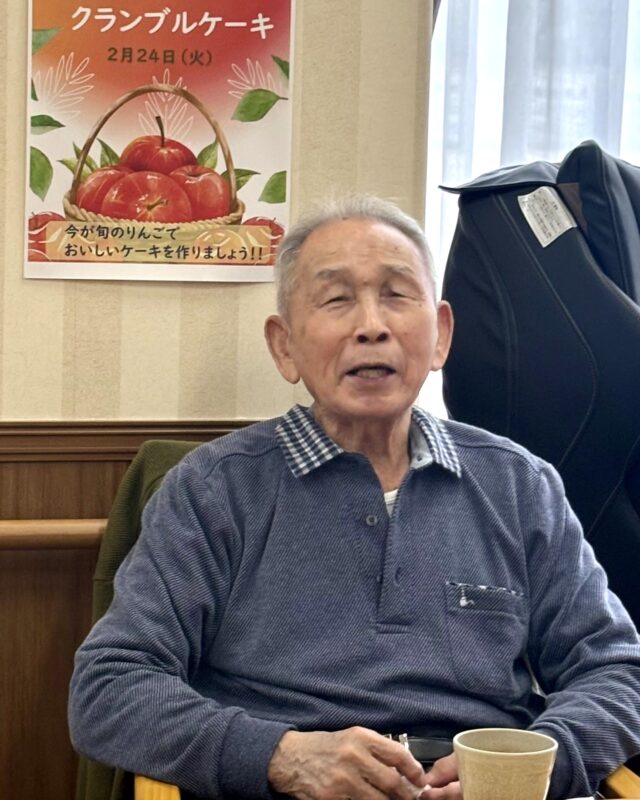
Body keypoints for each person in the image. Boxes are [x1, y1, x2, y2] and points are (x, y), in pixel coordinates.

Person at [69, 195, 640, 800]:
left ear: (441, 335)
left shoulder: (519, 485)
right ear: (285, 346)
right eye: (337, 299)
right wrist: (280, 757)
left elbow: (617, 671)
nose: (372, 325)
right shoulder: (213, 489)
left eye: (397, 294)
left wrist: (529, 767)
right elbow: (109, 688)